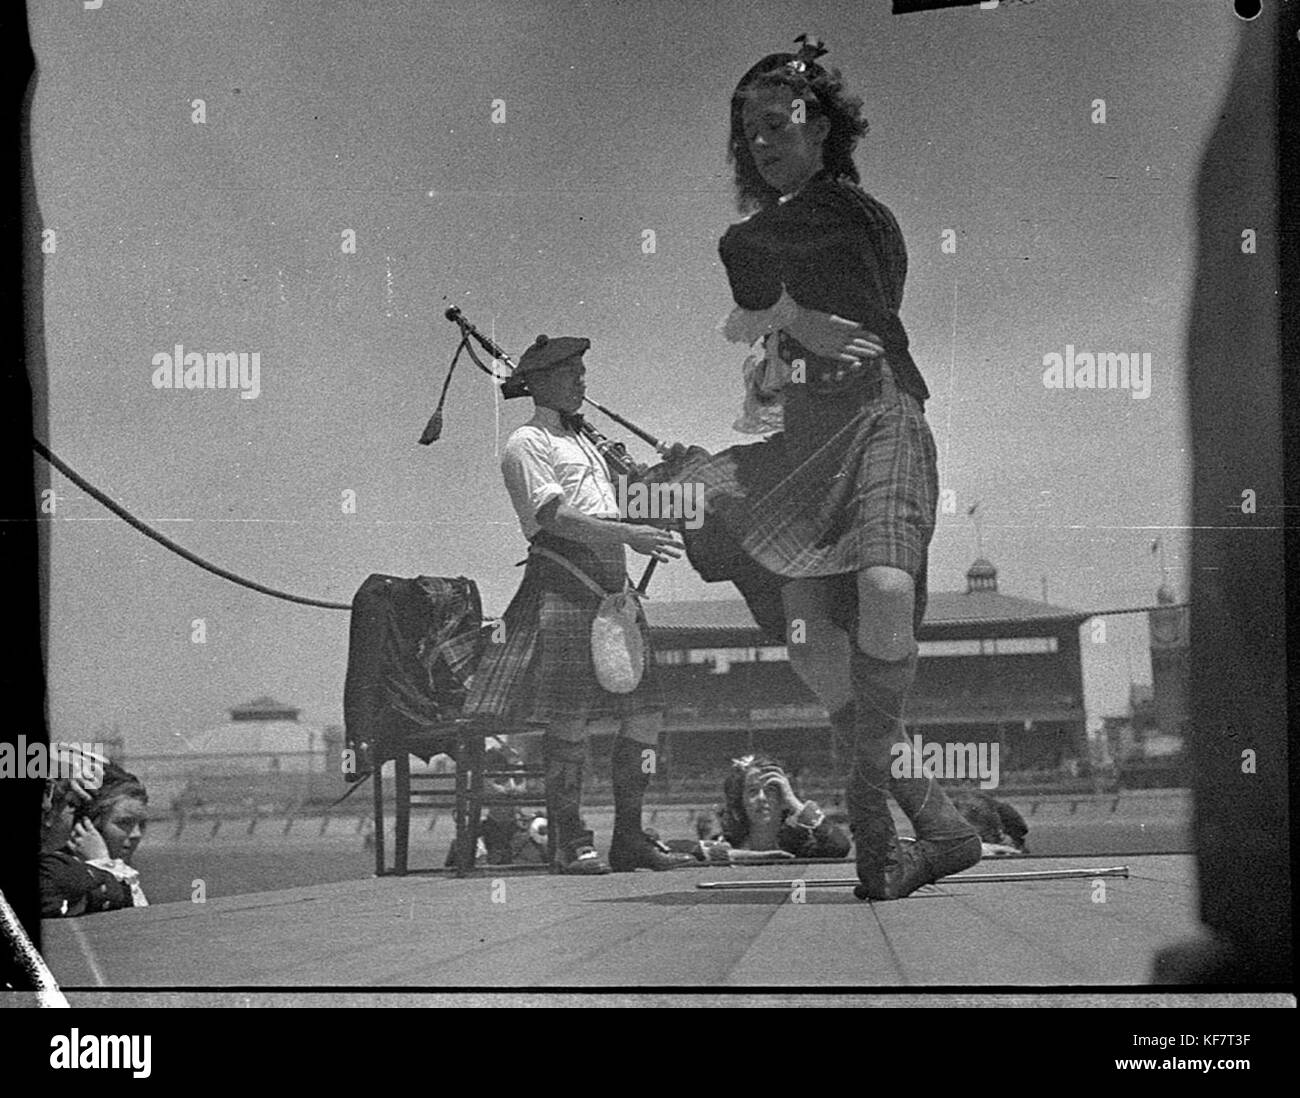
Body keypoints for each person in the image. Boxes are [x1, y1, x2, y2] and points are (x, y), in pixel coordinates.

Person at [676, 37, 981, 899]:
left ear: (823, 130)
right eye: (750, 135)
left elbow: (740, 257)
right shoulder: (803, 228)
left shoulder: (846, 211)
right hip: (807, 443)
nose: (762, 145)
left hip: (880, 414)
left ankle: (870, 807)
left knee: (886, 591)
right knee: (813, 648)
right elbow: (759, 302)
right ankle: (947, 829)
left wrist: (786, 313)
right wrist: (792, 330)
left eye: (777, 125)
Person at [461, 334, 696, 875]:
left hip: (614, 591)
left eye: (583, 371)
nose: (582, 381)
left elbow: (637, 495)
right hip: (565, 582)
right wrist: (629, 537)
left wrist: (675, 472)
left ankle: (630, 839)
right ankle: (571, 840)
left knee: (646, 715)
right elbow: (554, 518)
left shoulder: (589, 441)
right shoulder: (525, 443)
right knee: (568, 720)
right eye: (571, 372)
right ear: (540, 382)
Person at [39, 761, 149, 917]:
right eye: (124, 822)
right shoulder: (55, 875)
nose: (136, 834)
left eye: (142, 823)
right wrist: (104, 864)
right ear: (87, 822)